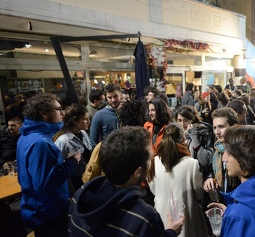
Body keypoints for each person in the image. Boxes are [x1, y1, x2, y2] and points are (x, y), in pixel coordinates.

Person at [69, 126, 184, 236]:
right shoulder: (144, 217)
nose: (151, 162)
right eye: (150, 159)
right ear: (138, 172)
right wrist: (171, 232)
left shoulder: (79, 197)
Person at [16, 93, 81, 236]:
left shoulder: (27, 136)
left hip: (38, 208)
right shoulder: (40, 143)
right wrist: (72, 161)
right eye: (58, 109)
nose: (63, 113)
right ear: (45, 114)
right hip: (49, 212)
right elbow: (44, 184)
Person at [147, 123, 206, 237]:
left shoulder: (154, 162)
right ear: (183, 139)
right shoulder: (191, 164)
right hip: (188, 219)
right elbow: (199, 194)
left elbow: (154, 190)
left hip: (162, 218)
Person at [53, 104, 92, 193]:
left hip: (87, 179)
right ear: (75, 121)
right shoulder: (63, 141)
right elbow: (59, 169)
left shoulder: (83, 133)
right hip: (75, 184)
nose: (89, 121)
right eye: (85, 119)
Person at [203, 107, 240, 197]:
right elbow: (211, 170)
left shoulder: (242, 151)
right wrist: (210, 178)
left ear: (234, 127)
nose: (217, 132)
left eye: (221, 127)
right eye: (215, 127)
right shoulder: (218, 149)